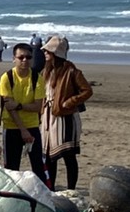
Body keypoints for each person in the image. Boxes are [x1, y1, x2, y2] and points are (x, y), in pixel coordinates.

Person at [39, 35, 92, 188]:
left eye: (48, 51)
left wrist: (69, 102)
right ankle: (51, 188)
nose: (45, 54)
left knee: (68, 155)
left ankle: (71, 189)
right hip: (48, 117)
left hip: (65, 117)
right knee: (49, 156)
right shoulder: (46, 72)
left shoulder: (71, 71)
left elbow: (87, 91)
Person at [0, 43, 46, 179]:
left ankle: (41, 197)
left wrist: (18, 105)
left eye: (28, 57)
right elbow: (9, 107)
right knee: (11, 169)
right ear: (14, 58)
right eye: (21, 57)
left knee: (38, 167)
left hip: (32, 125)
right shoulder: (7, 77)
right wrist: (22, 130)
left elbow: (38, 106)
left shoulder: (37, 78)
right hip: (12, 126)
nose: (25, 60)